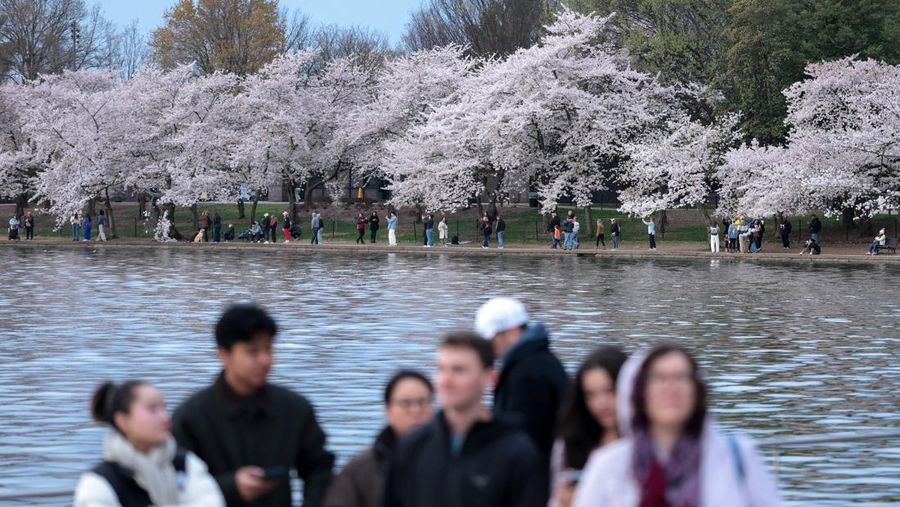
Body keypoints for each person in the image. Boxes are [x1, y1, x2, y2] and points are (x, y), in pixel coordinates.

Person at [573, 344, 782, 507]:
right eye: (658, 379)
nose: (670, 388)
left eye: (681, 378)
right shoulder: (609, 465)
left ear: (696, 390)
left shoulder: (739, 455)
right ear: (639, 394)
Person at [172, 304, 334, 507]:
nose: (265, 360)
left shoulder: (294, 409)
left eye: (268, 349)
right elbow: (175, 487)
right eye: (253, 352)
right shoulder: (190, 417)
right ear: (224, 355)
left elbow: (320, 471)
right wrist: (231, 488)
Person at [381, 332, 545, 507]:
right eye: (441, 369)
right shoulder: (412, 447)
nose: (446, 380)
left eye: (458, 370)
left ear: (490, 378)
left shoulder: (517, 453)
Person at [74, 381, 224, 507]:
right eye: (152, 410)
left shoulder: (185, 464)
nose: (164, 417)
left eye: (163, 408)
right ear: (122, 420)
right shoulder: (100, 483)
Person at [475, 298, 568, 499]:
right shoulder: (541, 361)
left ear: (513, 331)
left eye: (493, 339)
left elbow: (524, 436)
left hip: (535, 486)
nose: (489, 348)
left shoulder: (525, 373)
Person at [323, 371, 434, 507]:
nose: (416, 410)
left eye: (423, 402)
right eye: (406, 403)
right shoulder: (361, 471)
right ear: (388, 410)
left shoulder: (454, 461)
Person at [550, 347, 628, 507]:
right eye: (591, 395)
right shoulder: (570, 445)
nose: (601, 404)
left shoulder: (648, 443)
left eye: (610, 391)